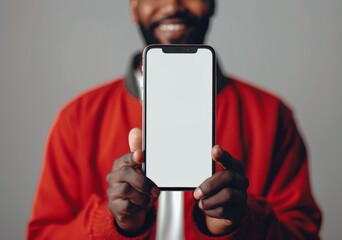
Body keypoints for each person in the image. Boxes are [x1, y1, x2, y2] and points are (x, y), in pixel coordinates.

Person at [27, 0, 322, 239]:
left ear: (212, 3)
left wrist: (240, 223)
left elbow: (304, 233)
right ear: (133, 7)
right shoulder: (77, 119)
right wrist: (115, 223)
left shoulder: (272, 116)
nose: (171, 6)